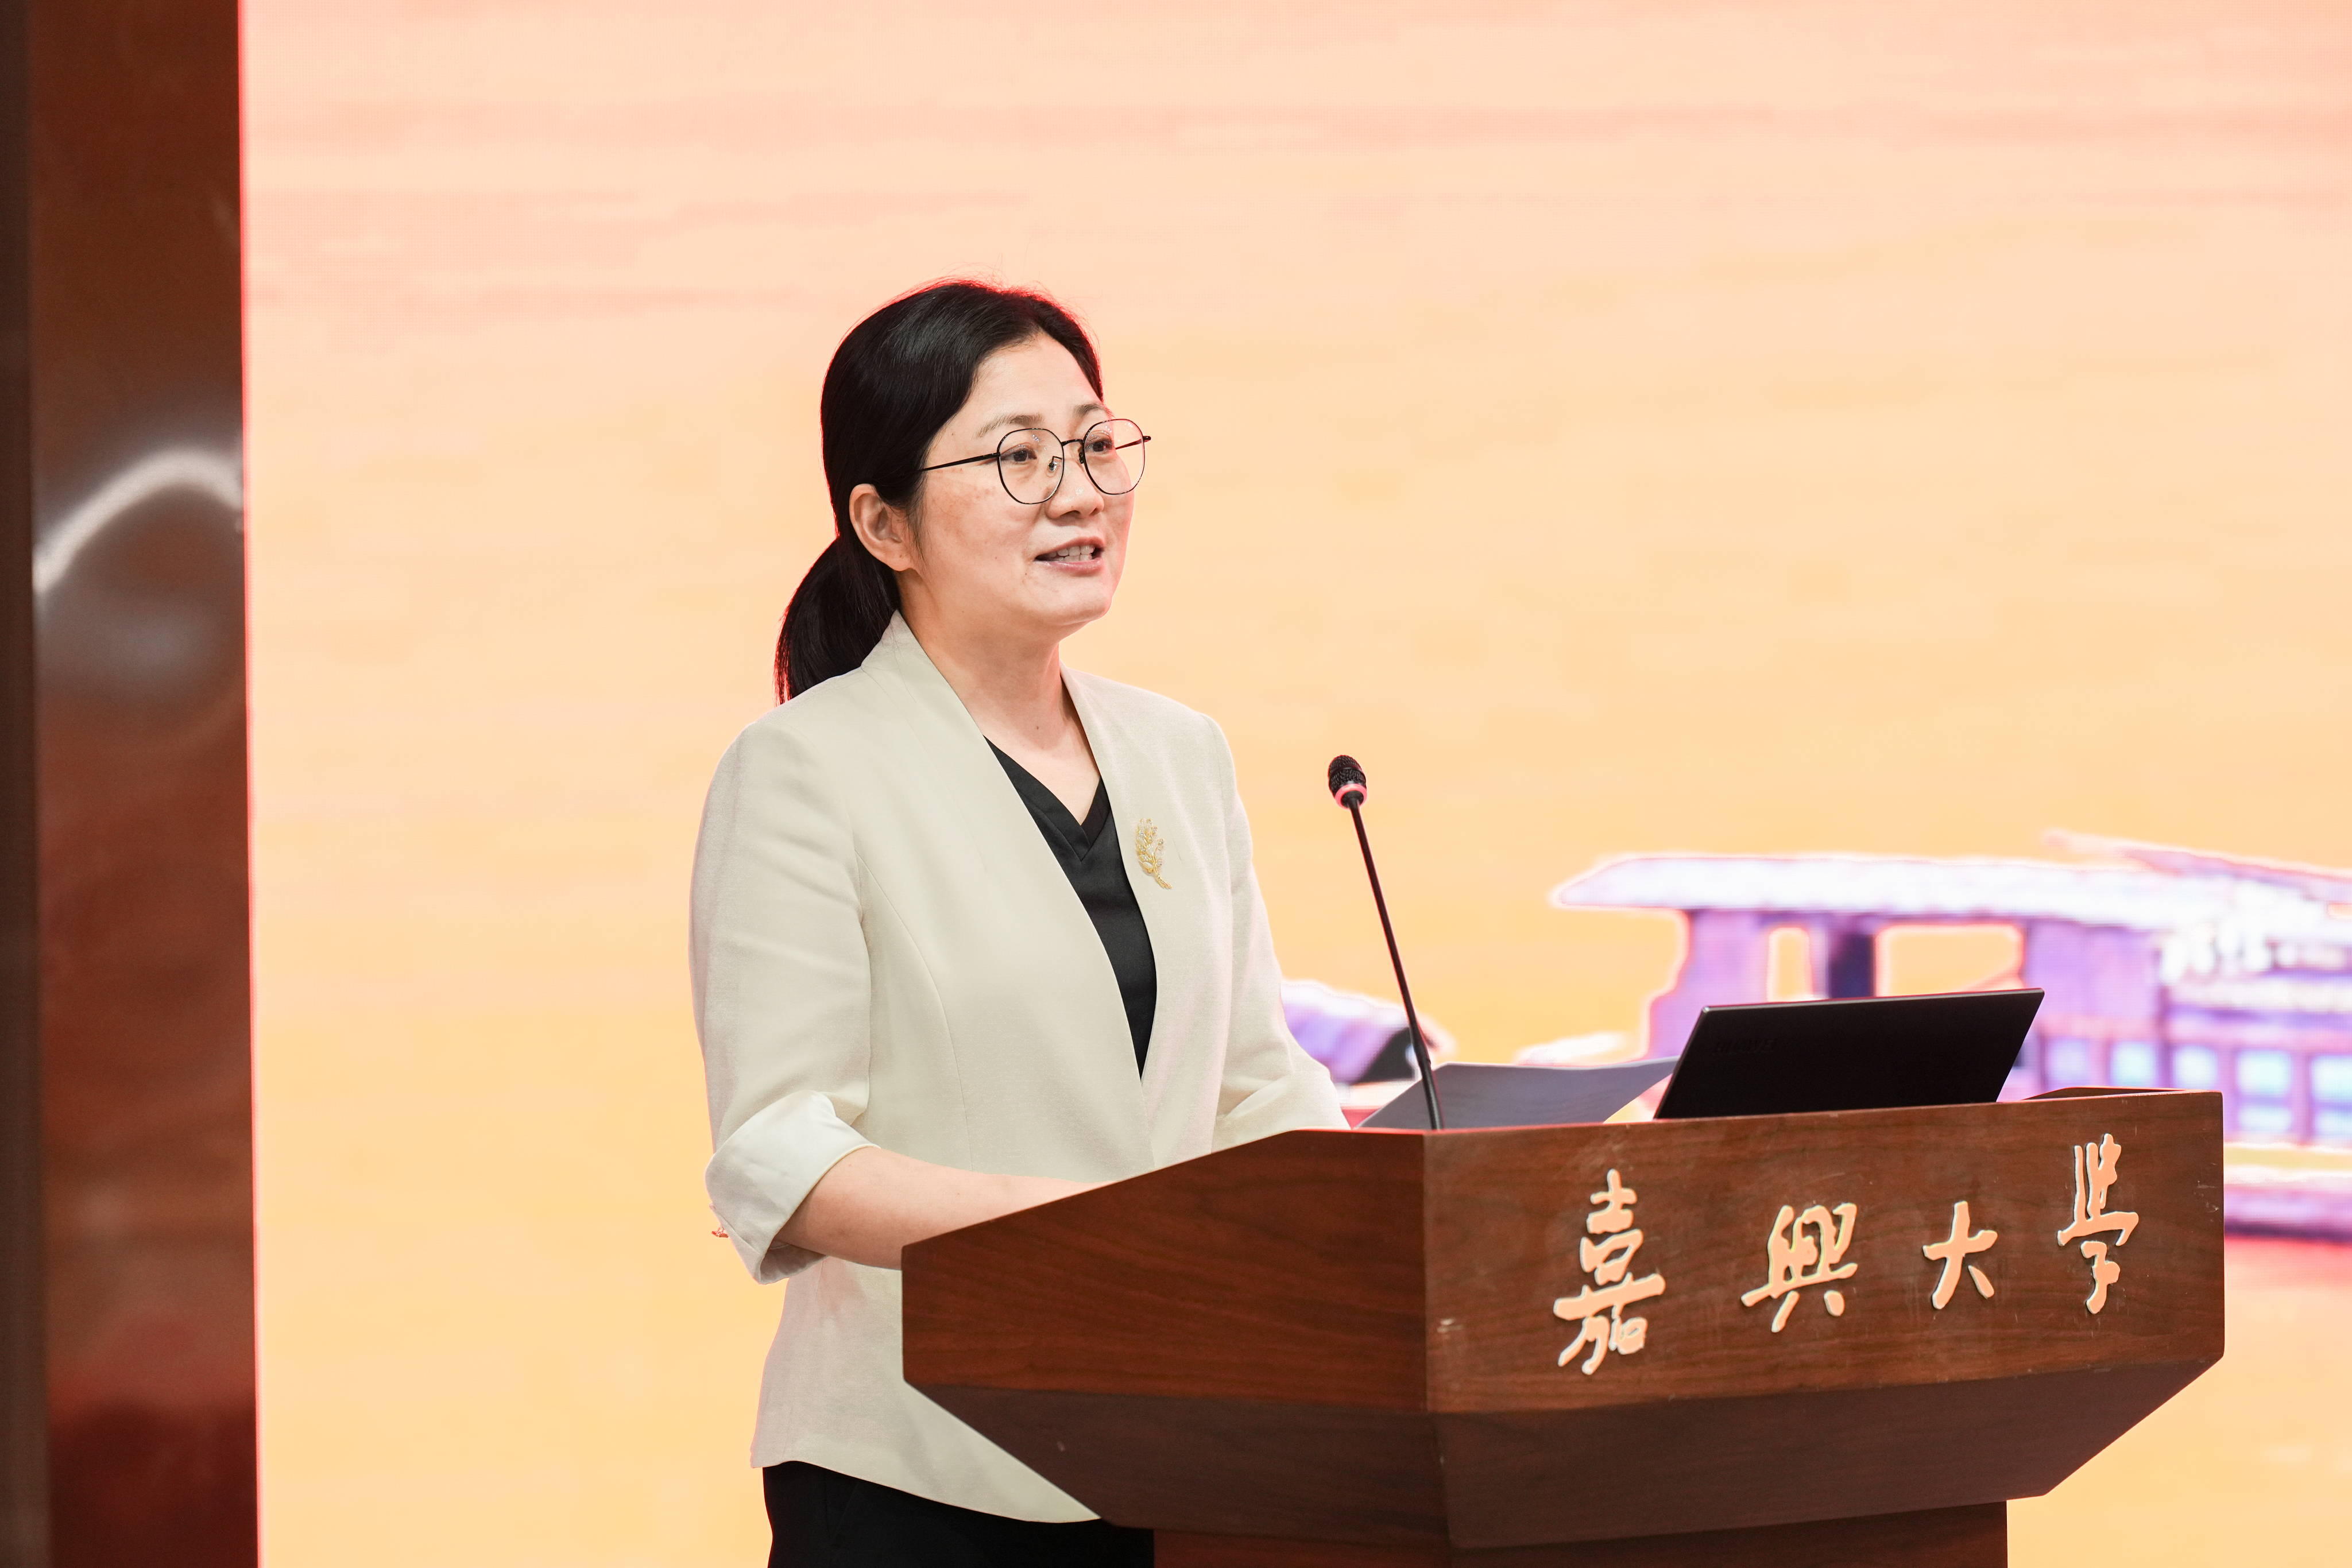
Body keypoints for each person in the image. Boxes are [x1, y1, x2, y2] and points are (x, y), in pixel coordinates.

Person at [690, 280, 1346, 1567]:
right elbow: (782, 1153)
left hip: (1182, 1451)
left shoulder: (1180, 753)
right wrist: (1085, 1235)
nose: (1079, 493)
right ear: (882, 523)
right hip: (918, 1474)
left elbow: (1255, 1089)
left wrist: (1377, 1218)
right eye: (1018, 458)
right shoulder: (804, 772)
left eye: (1096, 446)